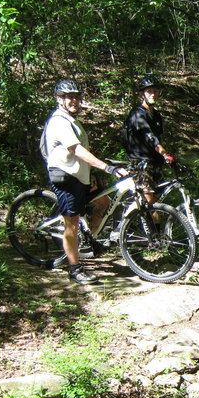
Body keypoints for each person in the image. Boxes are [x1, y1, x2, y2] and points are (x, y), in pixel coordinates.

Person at [42, 79, 125, 285]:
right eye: (70, 97)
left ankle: (90, 241)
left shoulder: (72, 120)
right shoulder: (59, 121)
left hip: (80, 175)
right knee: (72, 222)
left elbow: (82, 154)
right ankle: (74, 268)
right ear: (59, 99)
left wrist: (91, 174)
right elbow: (76, 150)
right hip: (65, 177)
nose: (75, 100)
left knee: (103, 202)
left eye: (77, 97)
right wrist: (106, 167)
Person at [122, 77, 175, 204]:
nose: (153, 94)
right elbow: (149, 136)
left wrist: (167, 159)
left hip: (155, 162)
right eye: (149, 91)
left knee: (159, 203)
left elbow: (159, 137)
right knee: (149, 202)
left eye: (155, 91)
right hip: (141, 163)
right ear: (142, 94)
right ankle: (136, 222)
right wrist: (163, 153)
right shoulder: (137, 114)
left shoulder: (156, 115)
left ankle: (154, 225)